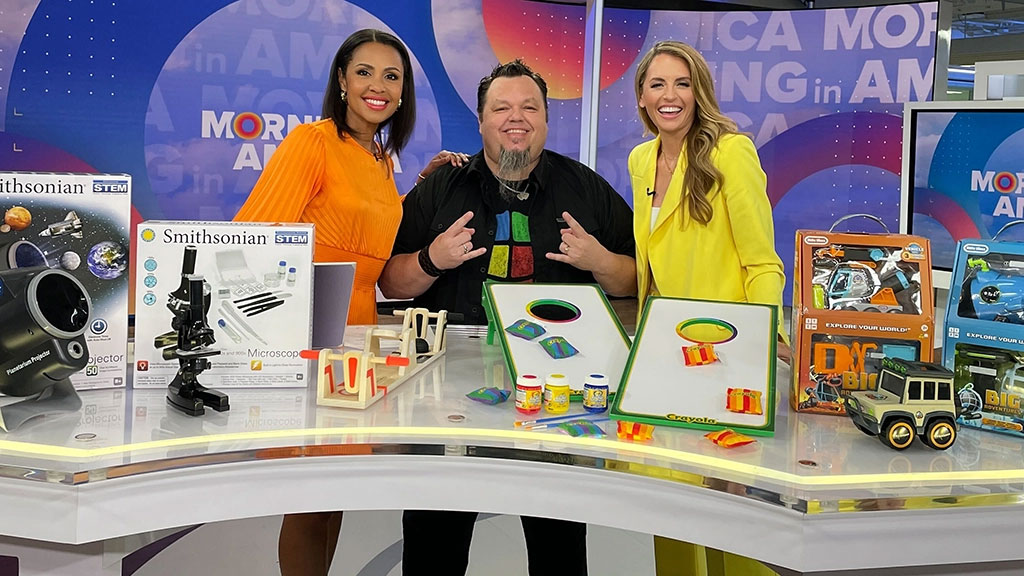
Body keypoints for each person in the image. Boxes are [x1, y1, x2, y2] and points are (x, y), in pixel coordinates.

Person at [379, 59, 636, 575]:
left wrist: (598, 261)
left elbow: (636, 281)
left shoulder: (585, 189)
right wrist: (432, 260)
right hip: (447, 389)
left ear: (546, 120)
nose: (515, 118)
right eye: (501, 108)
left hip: (555, 391)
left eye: (529, 107)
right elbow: (390, 282)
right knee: (433, 547)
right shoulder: (441, 188)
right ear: (480, 121)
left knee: (559, 550)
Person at [233, 28, 465, 576]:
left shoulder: (381, 158)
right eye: (364, 72)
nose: (377, 86)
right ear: (341, 80)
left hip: (358, 332)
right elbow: (253, 237)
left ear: (403, 93)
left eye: (392, 76)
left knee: (335, 491)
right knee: (308, 497)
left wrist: (420, 186)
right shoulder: (311, 142)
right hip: (309, 332)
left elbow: (364, 233)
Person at [629, 40, 786, 576]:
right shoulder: (641, 160)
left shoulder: (730, 153)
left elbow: (762, 263)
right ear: (642, 97)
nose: (669, 95)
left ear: (699, 92)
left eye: (682, 83)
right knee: (667, 498)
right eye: (657, 84)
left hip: (726, 356)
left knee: (726, 506)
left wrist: (761, 345)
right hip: (664, 355)